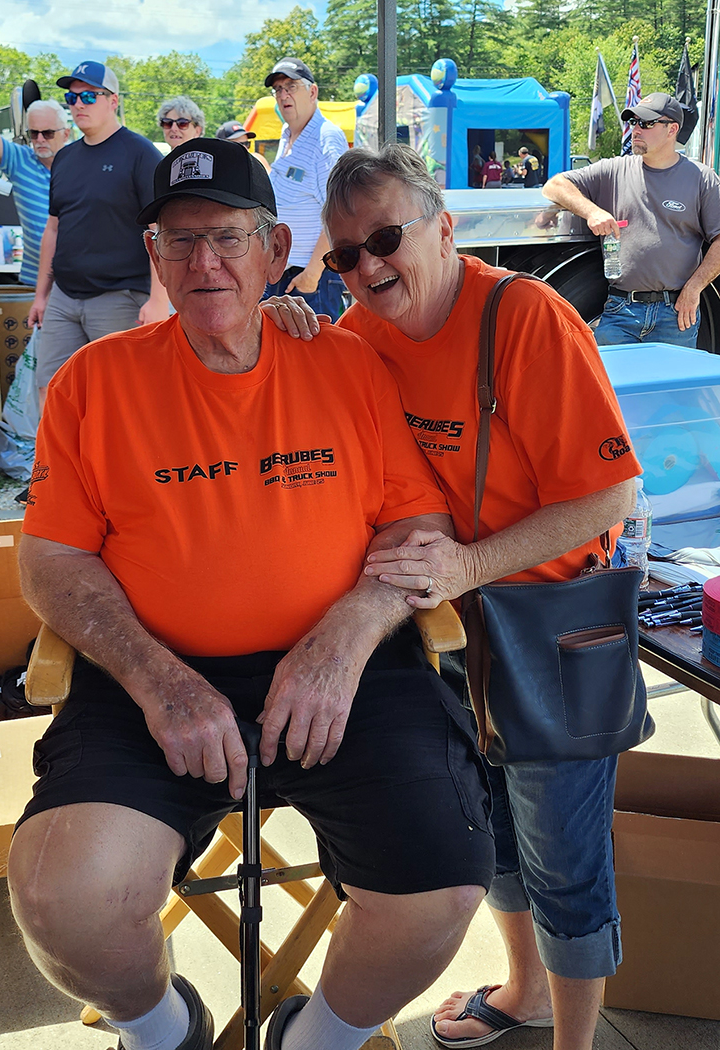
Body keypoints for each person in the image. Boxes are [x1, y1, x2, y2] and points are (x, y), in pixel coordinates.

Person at [9, 138, 494, 1050]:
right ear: (153, 255)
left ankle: (315, 1039)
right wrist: (158, 681)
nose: (205, 263)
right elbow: (51, 562)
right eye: (180, 240)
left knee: (440, 887)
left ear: (275, 250)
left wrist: (344, 639)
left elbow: (415, 528)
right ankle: (165, 1030)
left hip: (351, 672)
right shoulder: (92, 382)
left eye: (228, 237)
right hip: (151, 679)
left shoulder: (349, 364)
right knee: (61, 899)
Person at [264, 142, 642, 1050]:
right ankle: (525, 990)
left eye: (384, 238)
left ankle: (574, 1042)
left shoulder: (526, 319)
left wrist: (470, 567)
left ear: (442, 229)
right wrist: (285, 331)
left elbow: (608, 497)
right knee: (494, 835)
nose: (366, 266)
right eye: (343, 254)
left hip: (549, 629)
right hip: (445, 633)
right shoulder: (360, 333)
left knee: (563, 858)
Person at [29, 61, 169, 410]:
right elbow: (53, 228)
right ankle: (62, 451)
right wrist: (41, 295)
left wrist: (158, 300)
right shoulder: (65, 158)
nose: (78, 104)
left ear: (113, 101)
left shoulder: (140, 154)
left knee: (118, 398)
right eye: (72, 97)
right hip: (64, 297)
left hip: (119, 297)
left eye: (89, 96)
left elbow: (161, 231)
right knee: (52, 390)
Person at [543, 92, 720, 348]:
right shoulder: (614, 170)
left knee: (671, 377)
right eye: (634, 122)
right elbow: (554, 185)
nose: (636, 129)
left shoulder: (702, 179)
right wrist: (591, 211)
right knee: (606, 376)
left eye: (646, 123)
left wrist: (694, 289)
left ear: (672, 129)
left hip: (676, 314)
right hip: (619, 311)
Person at [262, 57, 349, 318]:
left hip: (312, 279)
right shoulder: (287, 134)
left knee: (317, 345)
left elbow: (340, 210)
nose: (283, 95)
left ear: (312, 92)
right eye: (278, 89)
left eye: (291, 86)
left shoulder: (326, 137)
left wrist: (313, 272)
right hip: (285, 272)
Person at [0, 34, 71, 288]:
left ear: (65, 133)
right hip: (34, 281)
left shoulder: (82, 165)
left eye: (48, 133)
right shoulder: (20, 160)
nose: (40, 139)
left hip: (78, 281)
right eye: (34, 133)